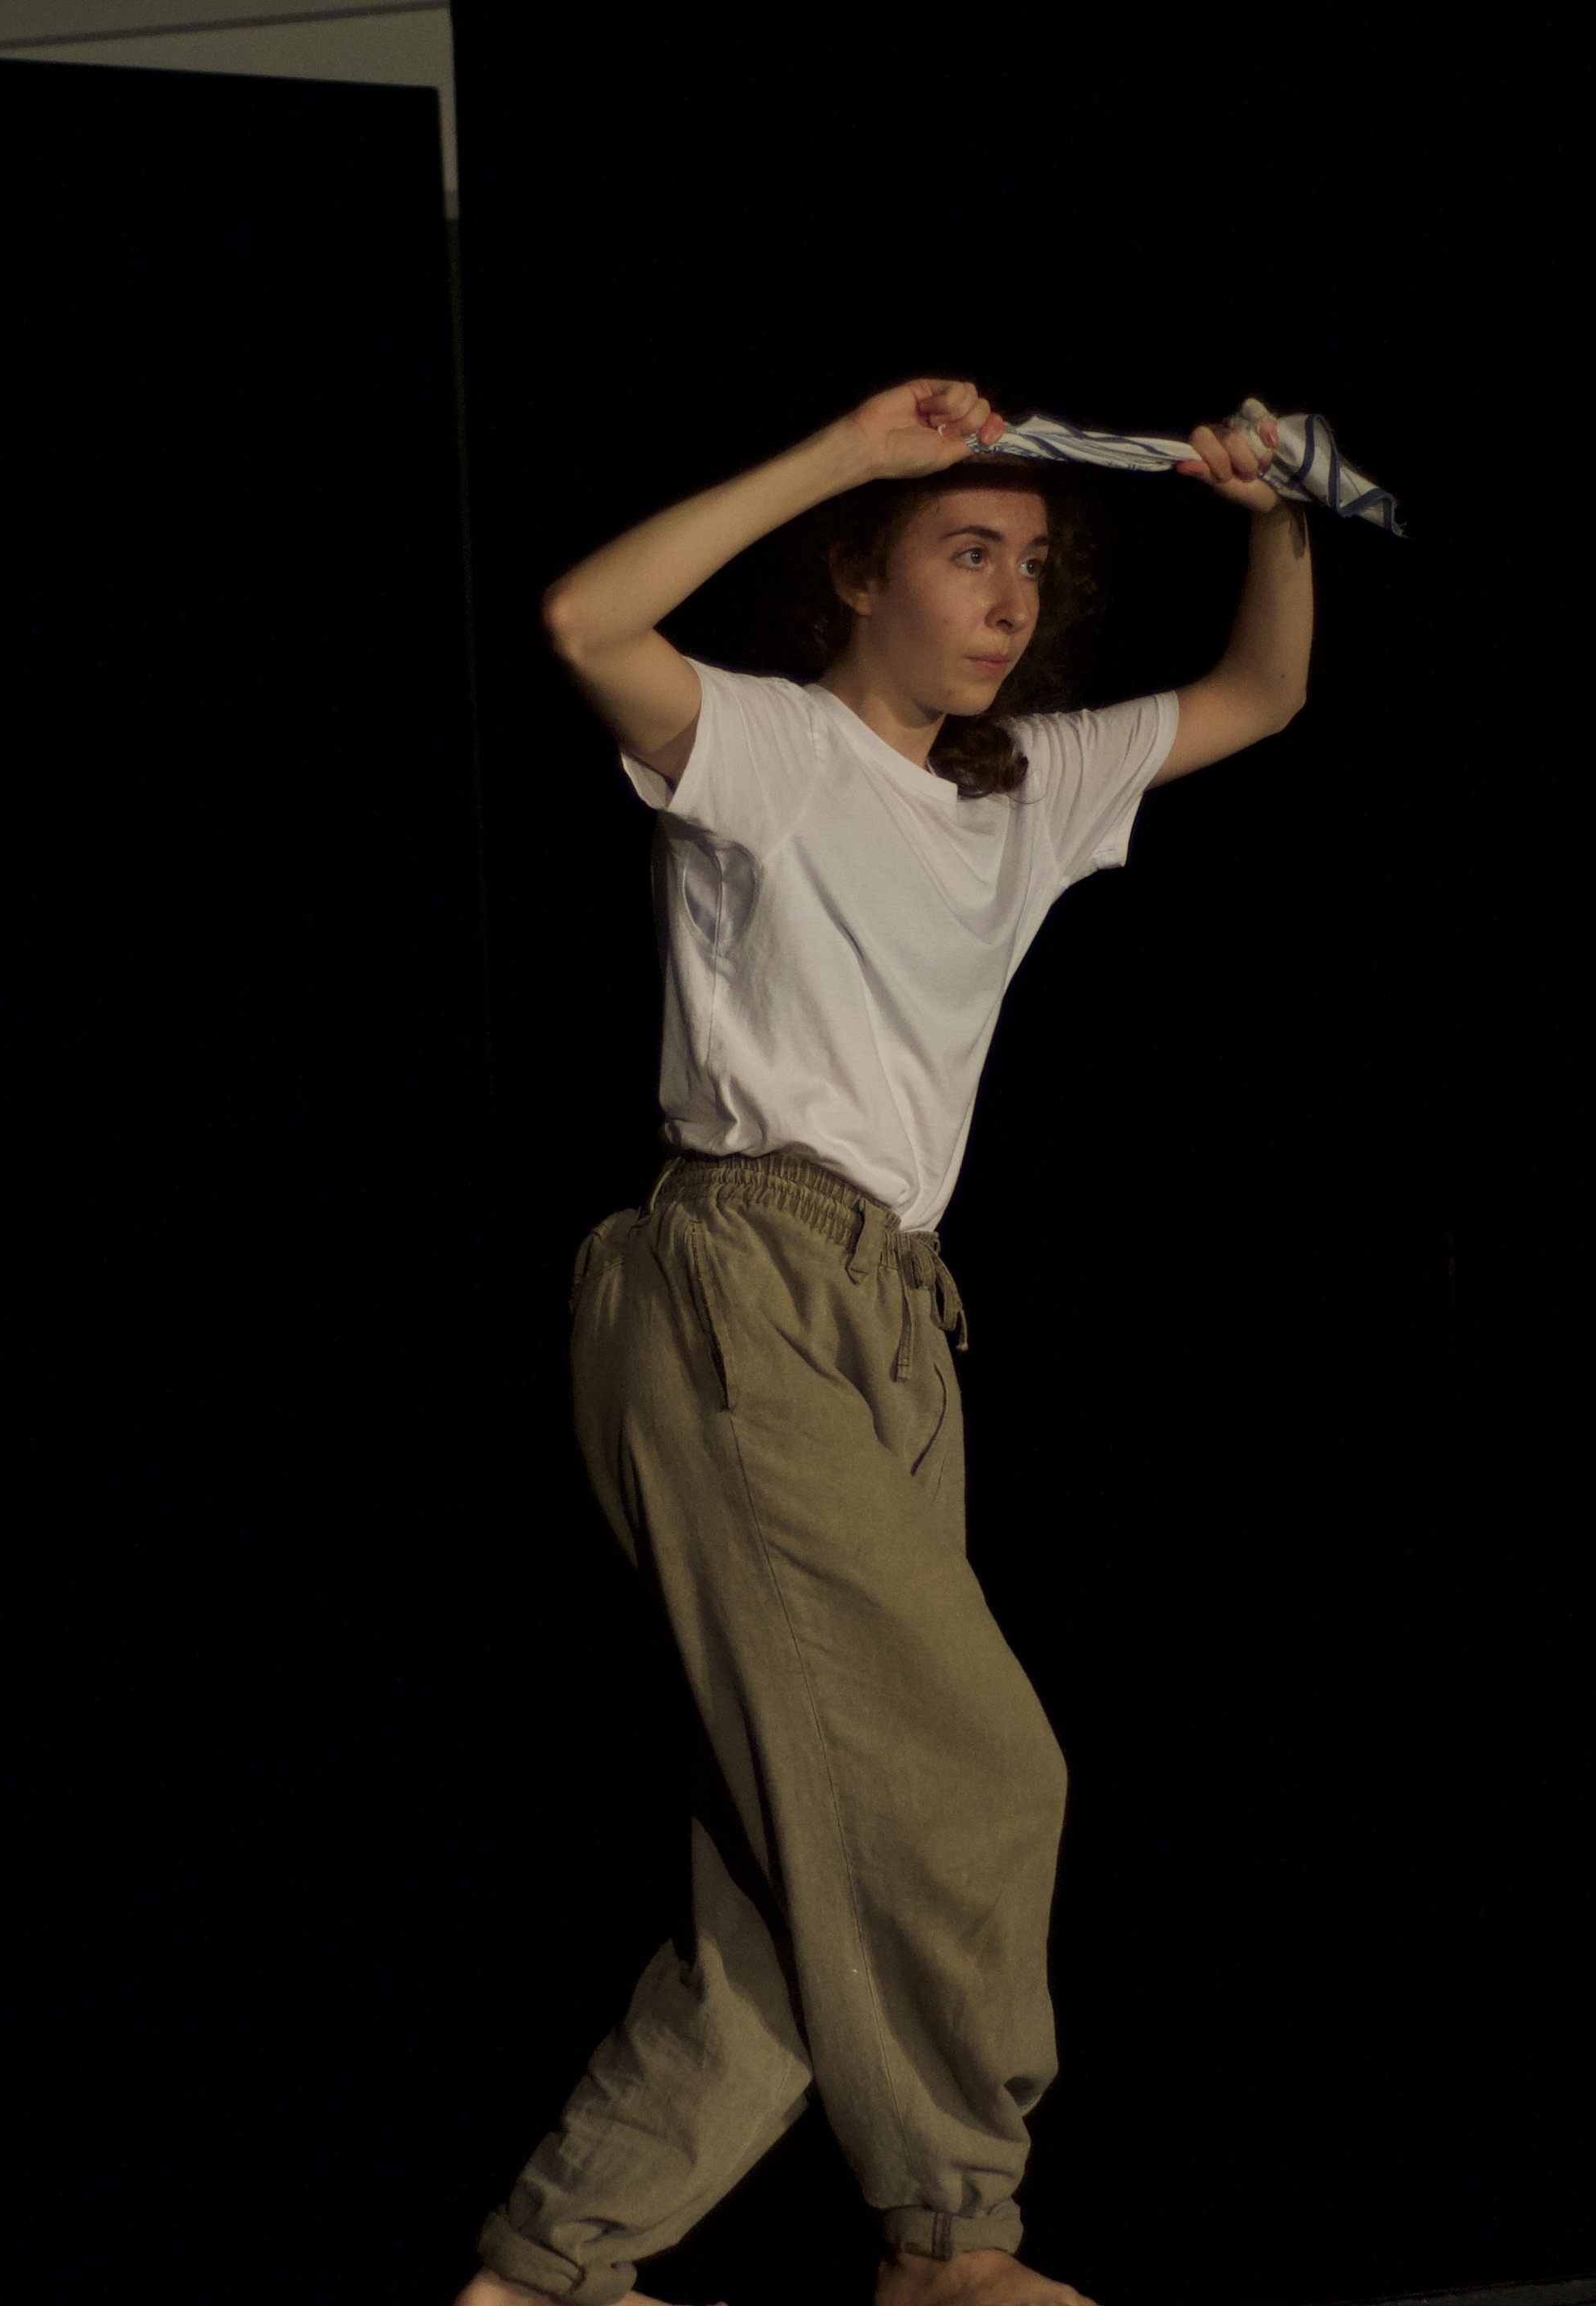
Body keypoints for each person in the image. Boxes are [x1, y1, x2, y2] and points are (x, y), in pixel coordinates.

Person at [460, 376, 1313, 2306]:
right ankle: (948, 2232)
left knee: (794, 1891)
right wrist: (850, 453)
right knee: (977, 1772)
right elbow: (585, 624)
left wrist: (1268, 513)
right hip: (732, 1278)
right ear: (857, 574)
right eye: (963, 550)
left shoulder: (1026, 786)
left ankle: (544, 2273)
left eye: (1030, 564)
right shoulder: (770, 748)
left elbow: (1261, 695)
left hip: (897, 1318)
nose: (1009, 597)